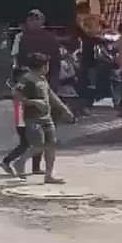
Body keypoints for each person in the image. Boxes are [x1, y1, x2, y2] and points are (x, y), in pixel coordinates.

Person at [12, 52, 75, 183]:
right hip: (33, 118)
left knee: (51, 145)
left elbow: (51, 95)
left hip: (46, 117)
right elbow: (16, 94)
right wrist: (33, 102)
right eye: (47, 65)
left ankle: (49, 175)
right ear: (43, 66)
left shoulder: (42, 79)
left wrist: (64, 109)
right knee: (38, 145)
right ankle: (20, 162)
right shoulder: (27, 79)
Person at [0, 73, 44, 177]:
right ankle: (8, 162)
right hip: (24, 120)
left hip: (25, 119)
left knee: (32, 143)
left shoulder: (20, 88)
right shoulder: (21, 89)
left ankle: (35, 167)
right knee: (34, 143)